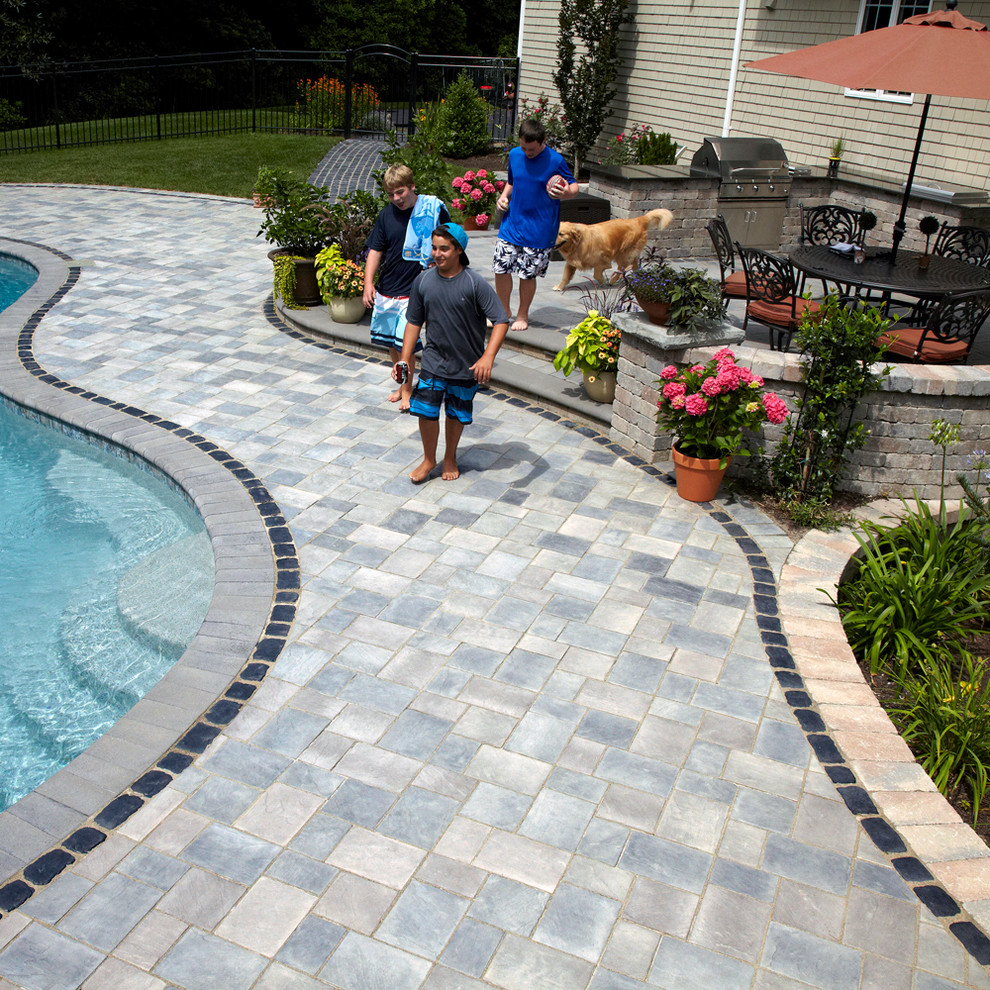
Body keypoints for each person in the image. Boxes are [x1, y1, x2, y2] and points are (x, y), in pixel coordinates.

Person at [394, 223, 509, 483]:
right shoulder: (423, 280)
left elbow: (501, 320)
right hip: (434, 361)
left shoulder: (473, 283)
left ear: (458, 249)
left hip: (465, 366)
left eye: (444, 248)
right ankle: (428, 459)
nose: (437, 253)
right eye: (434, 248)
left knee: (456, 413)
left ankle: (450, 456)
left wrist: (487, 356)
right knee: (425, 411)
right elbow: (414, 322)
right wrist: (404, 358)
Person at [364, 164, 450, 409]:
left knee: (406, 344)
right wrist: (368, 283)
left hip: (417, 288)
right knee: (393, 342)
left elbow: (450, 241)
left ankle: (408, 392)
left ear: (412, 186)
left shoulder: (432, 210)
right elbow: (375, 250)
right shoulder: (386, 215)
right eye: (391, 194)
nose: (396, 198)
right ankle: (403, 385)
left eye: (400, 192)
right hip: (388, 286)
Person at [493, 117, 578, 332]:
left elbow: (574, 186)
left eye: (531, 149)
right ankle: (504, 312)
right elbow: (511, 182)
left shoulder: (555, 160)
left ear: (542, 142)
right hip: (512, 222)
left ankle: (522, 315)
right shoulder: (514, 155)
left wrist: (566, 192)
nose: (527, 153)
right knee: (501, 268)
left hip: (539, 229)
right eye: (523, 147)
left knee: (526, 274)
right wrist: (503, 198)